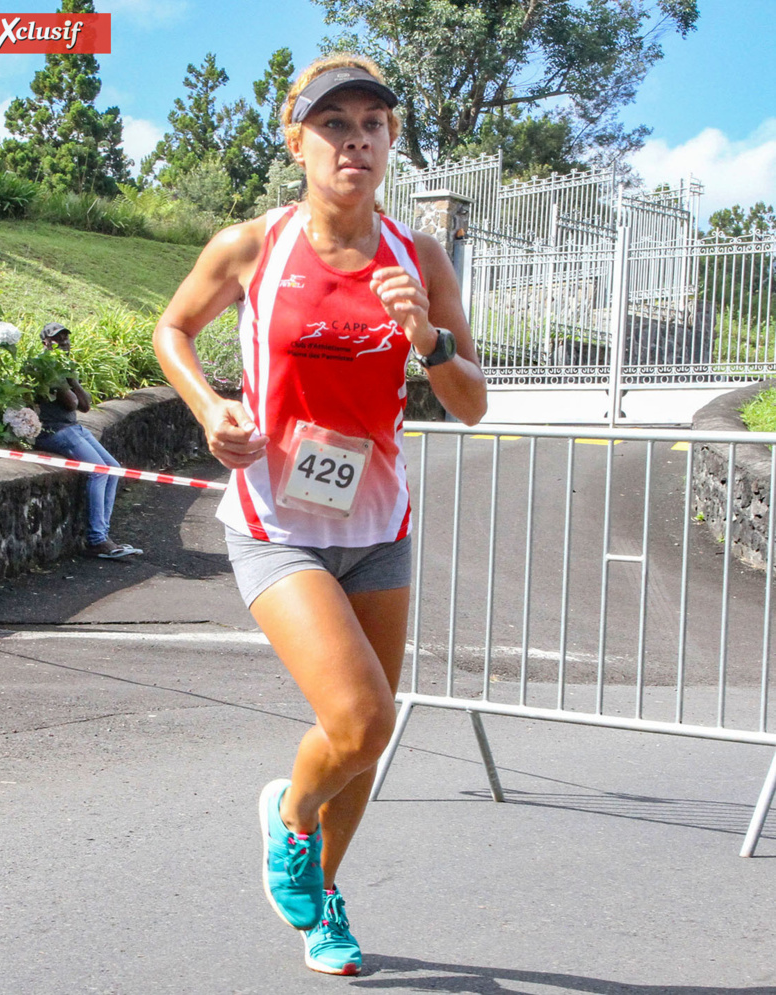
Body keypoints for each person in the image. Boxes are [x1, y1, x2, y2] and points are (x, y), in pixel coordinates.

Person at [153, 54, 487, 976]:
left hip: (380, 528)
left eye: (373, 125)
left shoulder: (419, 257)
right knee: (361, 718)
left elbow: (471, 403)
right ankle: (289, 814)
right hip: (277, 524)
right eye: (334, 124)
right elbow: (173, 328)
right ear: (296, 142)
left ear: (391, 142)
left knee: (364, 744)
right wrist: (210, 409)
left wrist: (428, 340)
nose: (355, 141)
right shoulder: (252, 246)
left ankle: (323, 892)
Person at [34, 321, 142, 560]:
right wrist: (67, 377)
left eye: (65, 337)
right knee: (99, 470)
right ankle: (97, 539)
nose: (63, 342)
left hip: (73, 427)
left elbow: (85, 406)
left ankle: (103, 534)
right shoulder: (46, 366)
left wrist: (71, 377)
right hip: (54, 430)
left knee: (113, 468)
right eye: (57, 338)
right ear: (45, 342)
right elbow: (71, 402)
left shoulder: (63, 367)